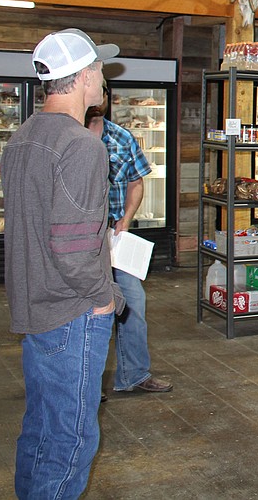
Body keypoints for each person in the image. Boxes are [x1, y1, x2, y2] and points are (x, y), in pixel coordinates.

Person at [3, 28, 125, 499]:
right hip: (72, 311)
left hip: (35, 307)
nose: (103, 78)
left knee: (40, 428)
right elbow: (74, 247)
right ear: (80, 78)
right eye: (98, 69)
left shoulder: (24, 136)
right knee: (71, 438)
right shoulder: (80, 145)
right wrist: (103, 299)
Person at [85, 88, 173, 395]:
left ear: (107, 97)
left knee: (133, 304)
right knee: (85, 312)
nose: (96, 97)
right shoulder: (69, 137)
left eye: (102, 91)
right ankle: (86, 387)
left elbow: (137, 182)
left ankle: (134, 375)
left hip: (115, 238)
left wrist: (126, 218)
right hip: (80, 241)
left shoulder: (121, 138)